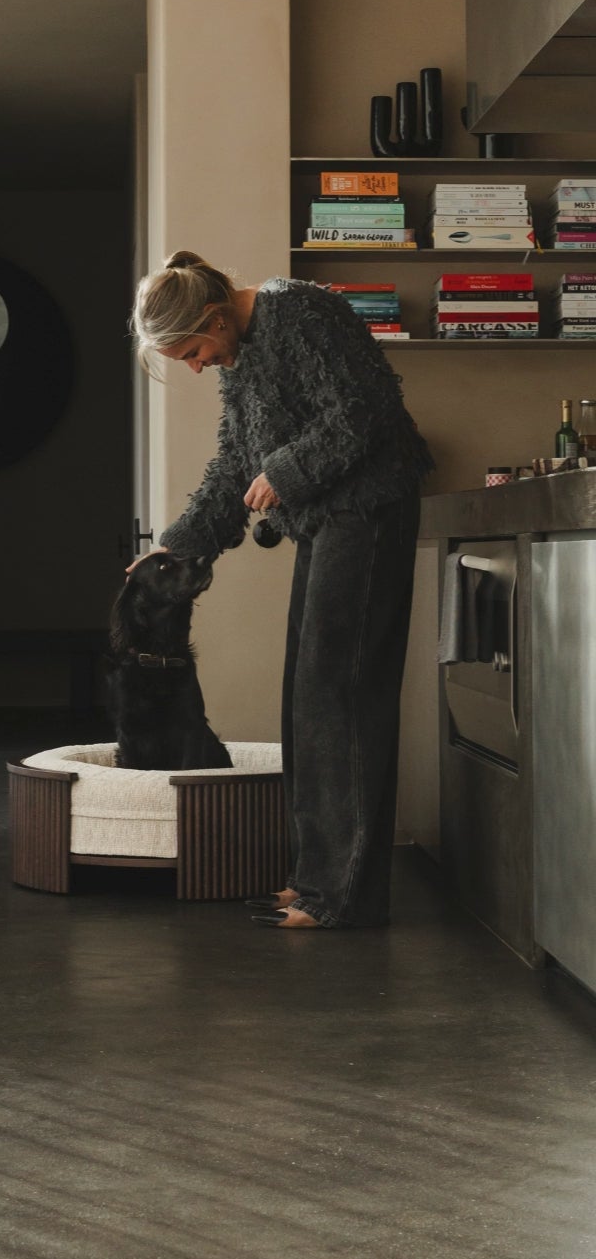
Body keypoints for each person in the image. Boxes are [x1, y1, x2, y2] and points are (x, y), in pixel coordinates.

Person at [130, 250, 432, 930]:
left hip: (369, 511)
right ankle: (316, 879)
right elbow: (235, 461)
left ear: (214, 317)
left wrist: (288, 472)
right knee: (308, 695)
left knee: (341, 694)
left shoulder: (299, 309)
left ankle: (340, 897)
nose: (198, 365)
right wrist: (176, 544)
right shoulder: (241, 358)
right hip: (329, 519)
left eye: (194, 351)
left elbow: (367, 410)